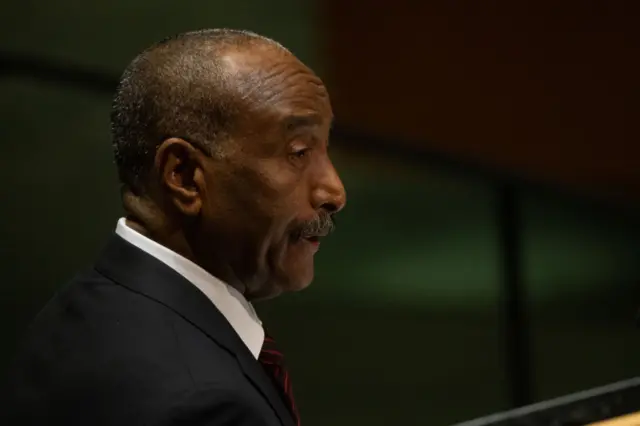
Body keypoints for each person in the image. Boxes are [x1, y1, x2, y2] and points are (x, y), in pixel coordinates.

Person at [2, 29, 346, 426]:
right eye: (299, 153)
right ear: (183, 176)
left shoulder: (81, 309)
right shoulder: (205, 405)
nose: (334, 191)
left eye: (325, 148)